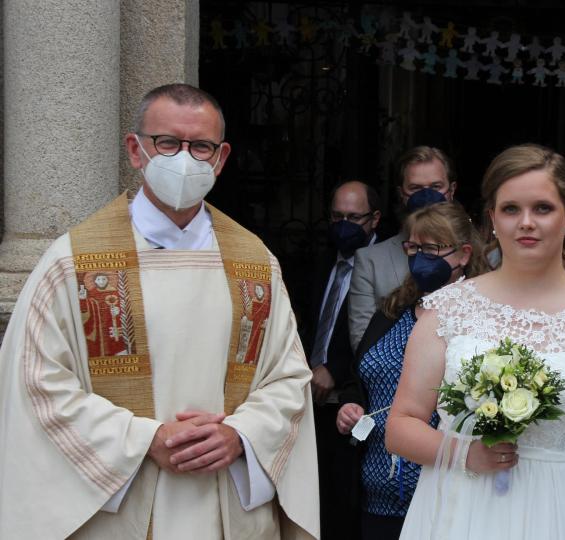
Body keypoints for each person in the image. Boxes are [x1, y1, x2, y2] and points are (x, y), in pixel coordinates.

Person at [0, 83, 319, 539]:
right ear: (136, 150)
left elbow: (289, 378)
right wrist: (144, 439)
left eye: (201, 146)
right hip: (121, 509)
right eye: (167, 143)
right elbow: (35, 384)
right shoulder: (73, 263)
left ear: (221, 157)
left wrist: (241, 435)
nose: (184, 158)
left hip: (223, 503)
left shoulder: (254, 263)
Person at [386, 144, 565, 539]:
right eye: (511, 209)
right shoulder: (448, 309)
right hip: (463, 504)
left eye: (543, 208)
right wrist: (465, 454)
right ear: (492, 220)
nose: (526, 223)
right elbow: (400, 426)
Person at [336, 202, 490, 540]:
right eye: (414, 247)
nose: (421, 257)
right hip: (375, 493)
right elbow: (360, 375)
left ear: (463, 254)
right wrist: (350, 405)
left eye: (432, 248)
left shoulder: (482, 318)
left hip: (444, 492)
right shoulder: (393, 310)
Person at [306, 180, 381, 540]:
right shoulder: (319, 262)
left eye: (354, 217)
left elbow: (374, 334)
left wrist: (334, 370)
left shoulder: (383, 267)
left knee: (347, 506)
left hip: (354, 403)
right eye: (337, 216)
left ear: (375, 219)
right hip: (310, 402)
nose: (344, 224)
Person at [347, 146, 457, 351]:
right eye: (415, 188)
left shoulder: (482, 255)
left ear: (451, 191)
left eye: (435, 186)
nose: (426, 196)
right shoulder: (370, 260)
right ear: (401, 194)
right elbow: (364, 346)